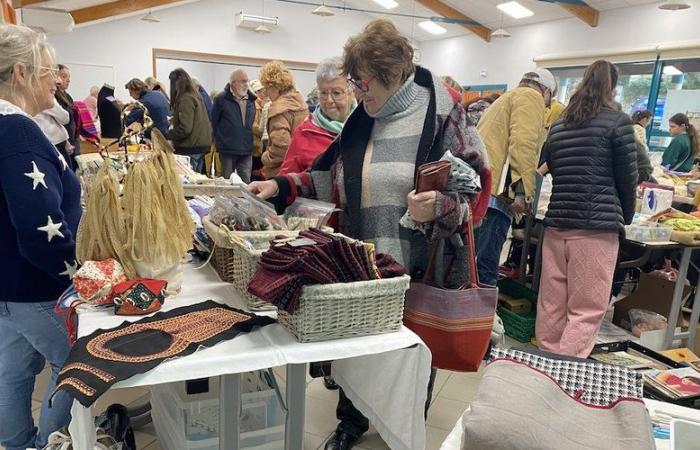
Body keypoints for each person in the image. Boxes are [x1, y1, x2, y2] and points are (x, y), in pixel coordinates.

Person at [248, 20, 490, 450]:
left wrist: (441, 208)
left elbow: (477, 193)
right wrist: (281, 187)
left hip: (419, 267)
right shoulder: (364, 118)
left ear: (392, 72)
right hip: (363, 265)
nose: (357, 93)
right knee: (356, 348)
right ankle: (351, 422)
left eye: (362, 82)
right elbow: (327, 176)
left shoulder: (442, 112)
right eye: (354, 83)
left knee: (411, 358)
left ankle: (405, 426)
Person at [0, 24, 79, 450]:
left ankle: (15, 444)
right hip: (36, 286)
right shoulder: (19, 132)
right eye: (49, 71)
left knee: (12, 370)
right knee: (74, 366)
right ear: (20, 73)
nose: (58, 80)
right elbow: (38, 231)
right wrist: (78, 270)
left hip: (7, 285)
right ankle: (51, 443)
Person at [535, 60, 637, 358]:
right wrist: (624, 218)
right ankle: (565, 377)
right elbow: (628, 181)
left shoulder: (559, 125)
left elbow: (548, 169)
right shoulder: (618, 122)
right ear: (613, 88)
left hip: (556, 226)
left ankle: (545, 369)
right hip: (595, 231)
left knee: (551, 305)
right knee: (586, 310)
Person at [475, 68, 555, 286]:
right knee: (486, 267)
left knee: (473, 265)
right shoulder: (531, 97)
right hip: (497, 194)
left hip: (481, 188)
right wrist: (523, 193)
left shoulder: (505, 99)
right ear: (546, 92)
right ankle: (483, 317)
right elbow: (523, 145)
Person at [280, 57, 356, 175]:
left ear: (352, 93)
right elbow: (287, 180)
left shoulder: (367, 126)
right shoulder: (304, 133)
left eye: (336, 93)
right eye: (324, 93)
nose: (329, 100)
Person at [259, 60, 308, 178]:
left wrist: (265, 157)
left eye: (266, 88)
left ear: (274, 86)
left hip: (281, 174)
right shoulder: (301, 104)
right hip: (300, 169)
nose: (265, 93)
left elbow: (281, 148)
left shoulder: (279, 110)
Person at [211, 69, 257, 182]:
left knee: (245, 184)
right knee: (226, 183)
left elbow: (250, 123)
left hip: (246, 149)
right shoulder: (221, 99)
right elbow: (214, 121)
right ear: (233, 83)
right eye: (242, 81)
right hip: (227, 148)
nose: (246, 84)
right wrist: (222, 140)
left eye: (247, 81)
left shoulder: (251, 100)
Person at [166, 68, 212, 173]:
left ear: (176, 82)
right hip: (199, 146)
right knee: (196, 181)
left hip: (190, 147)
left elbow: (185, 128)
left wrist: (167, 135)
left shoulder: (185, 98)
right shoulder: (195, 96)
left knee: (187, 182)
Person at [54, 64, 79, 168]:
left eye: (69, 77)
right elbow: (57, 120)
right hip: (63, 142)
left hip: (72, 138)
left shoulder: (67, 96)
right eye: (64, 76)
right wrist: (66, 141)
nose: (68, 80)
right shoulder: (54, 95)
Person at [250, 79, 268, 181]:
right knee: (254, 173)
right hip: (255, 145)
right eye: (261, 91)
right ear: (256, 92)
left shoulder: (263, 106)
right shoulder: (254, 106)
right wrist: (264, 131)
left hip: (259, 146)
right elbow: (253, 125)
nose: (264, 93)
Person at [632, 110, 653, 182]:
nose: (649, 123)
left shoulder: (634, 127)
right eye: (649, 120)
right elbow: (641, 145)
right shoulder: (639, 129)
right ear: (645, 119)